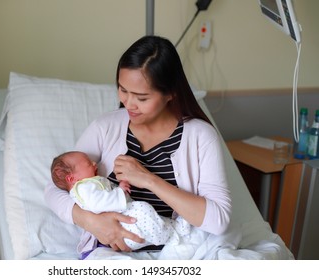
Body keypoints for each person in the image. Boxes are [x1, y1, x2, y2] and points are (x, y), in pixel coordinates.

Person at [44, 35, 231, 257]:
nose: (129, 104)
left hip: (178, 250)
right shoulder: (105, 128)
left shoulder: (201, 136)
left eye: (141, 98)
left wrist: (147, 179)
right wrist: (92, 223)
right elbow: (54, 190)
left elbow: (218, 220)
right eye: (123, 90)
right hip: (113, 253)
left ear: (170, 93)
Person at [50, 150, 187, 259]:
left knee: (145, 213)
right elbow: (98, 204)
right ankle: (169, 235)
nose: (94, 163)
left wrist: (119, 189)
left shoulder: (89, 184)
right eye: (87, 163)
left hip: (126, 227)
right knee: (142, 209)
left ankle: (171, 228)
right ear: (71, 178)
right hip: (120, 231)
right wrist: (120, 191)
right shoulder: (84, 187)